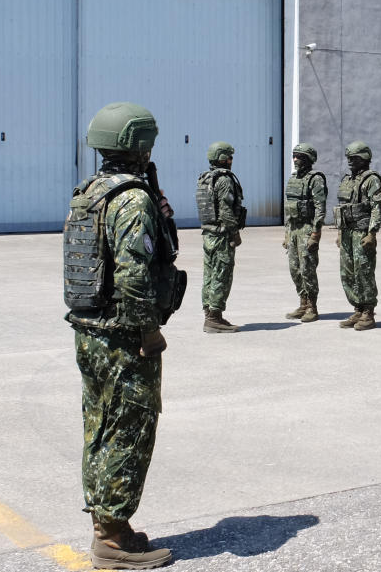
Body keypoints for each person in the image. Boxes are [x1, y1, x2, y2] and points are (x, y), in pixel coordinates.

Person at [63, 102, 185, 570]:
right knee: (129, 430)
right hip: (122, 336)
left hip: (90, 331)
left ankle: (108, 523)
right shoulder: (132, 199)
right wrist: (148, 330)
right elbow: (134, 272)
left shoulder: (90, 191)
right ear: (139, 143)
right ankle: (111, 542)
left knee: (100, 426)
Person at [196, 142, 247, 334]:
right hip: (222, 235)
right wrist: (234, 233)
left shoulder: (205, 178)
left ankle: (210, 312)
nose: (231, 161)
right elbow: (226, 210)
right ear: (223, 158)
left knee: (209, 274)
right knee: (221, 274)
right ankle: (214, 318)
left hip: (208, 233)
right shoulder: (224, 180)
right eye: (230, 157)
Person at [334, 140, 381, 331]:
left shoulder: (371, 180)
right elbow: (342, 208)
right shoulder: (347, 179)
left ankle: (368, 312)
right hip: (347, 233)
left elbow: (376, 207)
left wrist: (372, 233)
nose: (350, 161)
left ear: (365, 159)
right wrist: (340, 232)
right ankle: (357, 308)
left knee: (363, 272)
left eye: (354, 158)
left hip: (362, 232)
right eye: (349, 158)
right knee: (347, 273)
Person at [283, 142, 327, 322]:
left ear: (308, 159)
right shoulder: (293, 179)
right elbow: (288, 208)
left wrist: (316, 234)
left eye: (299, 156)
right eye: (294, 155)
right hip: (293, 229)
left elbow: (320, 208)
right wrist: (287, 233)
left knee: (307, 269)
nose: (295, 159)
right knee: (294, 269)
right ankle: (302, 303)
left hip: (307, 229)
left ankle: (312, 307)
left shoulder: (315, 179)